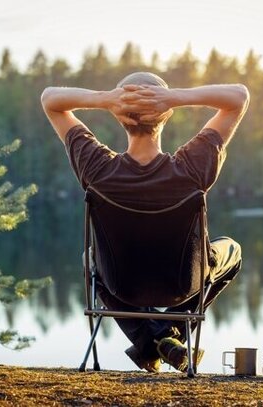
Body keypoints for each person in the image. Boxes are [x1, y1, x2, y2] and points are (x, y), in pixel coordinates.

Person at [41, 72, 249, 372]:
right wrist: (175, 97)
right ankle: (166, 333)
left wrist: (106, 99)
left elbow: (50, 100)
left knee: (90, 259)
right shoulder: (192, 168)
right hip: (184, 284)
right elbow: (238, 97)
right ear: (166, 116)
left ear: (120, 117)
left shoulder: (97, 169)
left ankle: (151, 339)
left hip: (122, 286)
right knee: (232, 249)